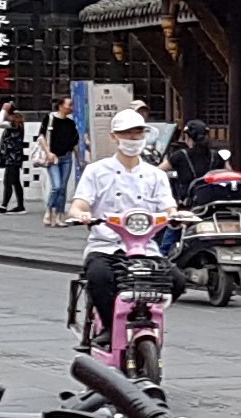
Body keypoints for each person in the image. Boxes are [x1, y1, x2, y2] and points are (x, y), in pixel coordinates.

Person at [65, 108, 175, 348]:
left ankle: (146, 315)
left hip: (145, 247)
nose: (133, 140)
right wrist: (80, 214)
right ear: (114, 137)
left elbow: (169, 208)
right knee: (99, 277)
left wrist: (177, 216)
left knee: (175, 279)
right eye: (127, 134)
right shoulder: (96, 171)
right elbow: (79, 204)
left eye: (137, 134)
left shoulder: (156, 175)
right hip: (105, 246)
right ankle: (108, 326)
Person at [40, 94, 82, 224]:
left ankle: (59, 215)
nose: (71, 107)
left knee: (63, 187)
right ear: (61, 106)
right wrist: (48, 152)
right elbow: (41, 137)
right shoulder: (50, 118)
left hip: (67, 157)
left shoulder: (70, 123)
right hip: (53, 157)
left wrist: (79, 159)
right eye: (69, 105)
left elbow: (74, 142)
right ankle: (49, 210)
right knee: (56, 186)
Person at [0, 103, 31, 213]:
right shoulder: (17, 122)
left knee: (8, 181)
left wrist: (3, 109)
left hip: (12, 158)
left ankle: (4, 205)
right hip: (15, 157)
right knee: (15, 181)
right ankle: (20, 206)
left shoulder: (13, 123)